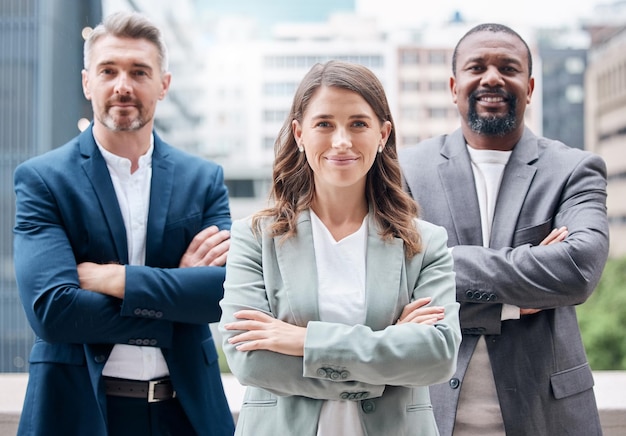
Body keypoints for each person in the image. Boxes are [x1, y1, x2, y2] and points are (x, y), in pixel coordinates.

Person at [13, 11, 235, 436]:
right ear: (86, 81)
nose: (123, 86)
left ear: (163, 85)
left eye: (139, 72)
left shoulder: (203, 179)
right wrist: (175, 287)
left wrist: (113, 279)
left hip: (185, 413)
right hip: (78, 410)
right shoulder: (43, 180)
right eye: (109, 70)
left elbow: (218, 296)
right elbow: (54, 312)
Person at [218, 60, 461, 436]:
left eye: (358, 124)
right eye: (324, 123)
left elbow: (437, 356)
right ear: (299, 134)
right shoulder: (254, 237)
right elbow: (251, 362)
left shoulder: (423, 242)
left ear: (383, 134)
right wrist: (387, 356)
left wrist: (302, 341)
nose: (342, 141)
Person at [398, 23, 610, 436]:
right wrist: (512, 300)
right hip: (427, 411)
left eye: (507, 68)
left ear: (529, 87)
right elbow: (392, 278)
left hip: (548, 416)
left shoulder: (574, 170)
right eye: (477, 66)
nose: (492, 77)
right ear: (453, 85)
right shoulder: (405, 170)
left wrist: (434, 266)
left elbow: (578, 271)